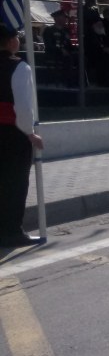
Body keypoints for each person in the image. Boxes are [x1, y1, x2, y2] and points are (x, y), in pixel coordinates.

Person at [0, 26, 46, 248]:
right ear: (10, 42)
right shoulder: (19, 67)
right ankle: (10, 231)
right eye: (17, 37)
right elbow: (24, 107)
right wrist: (30, 133)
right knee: (14, 182)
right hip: (11, 133)